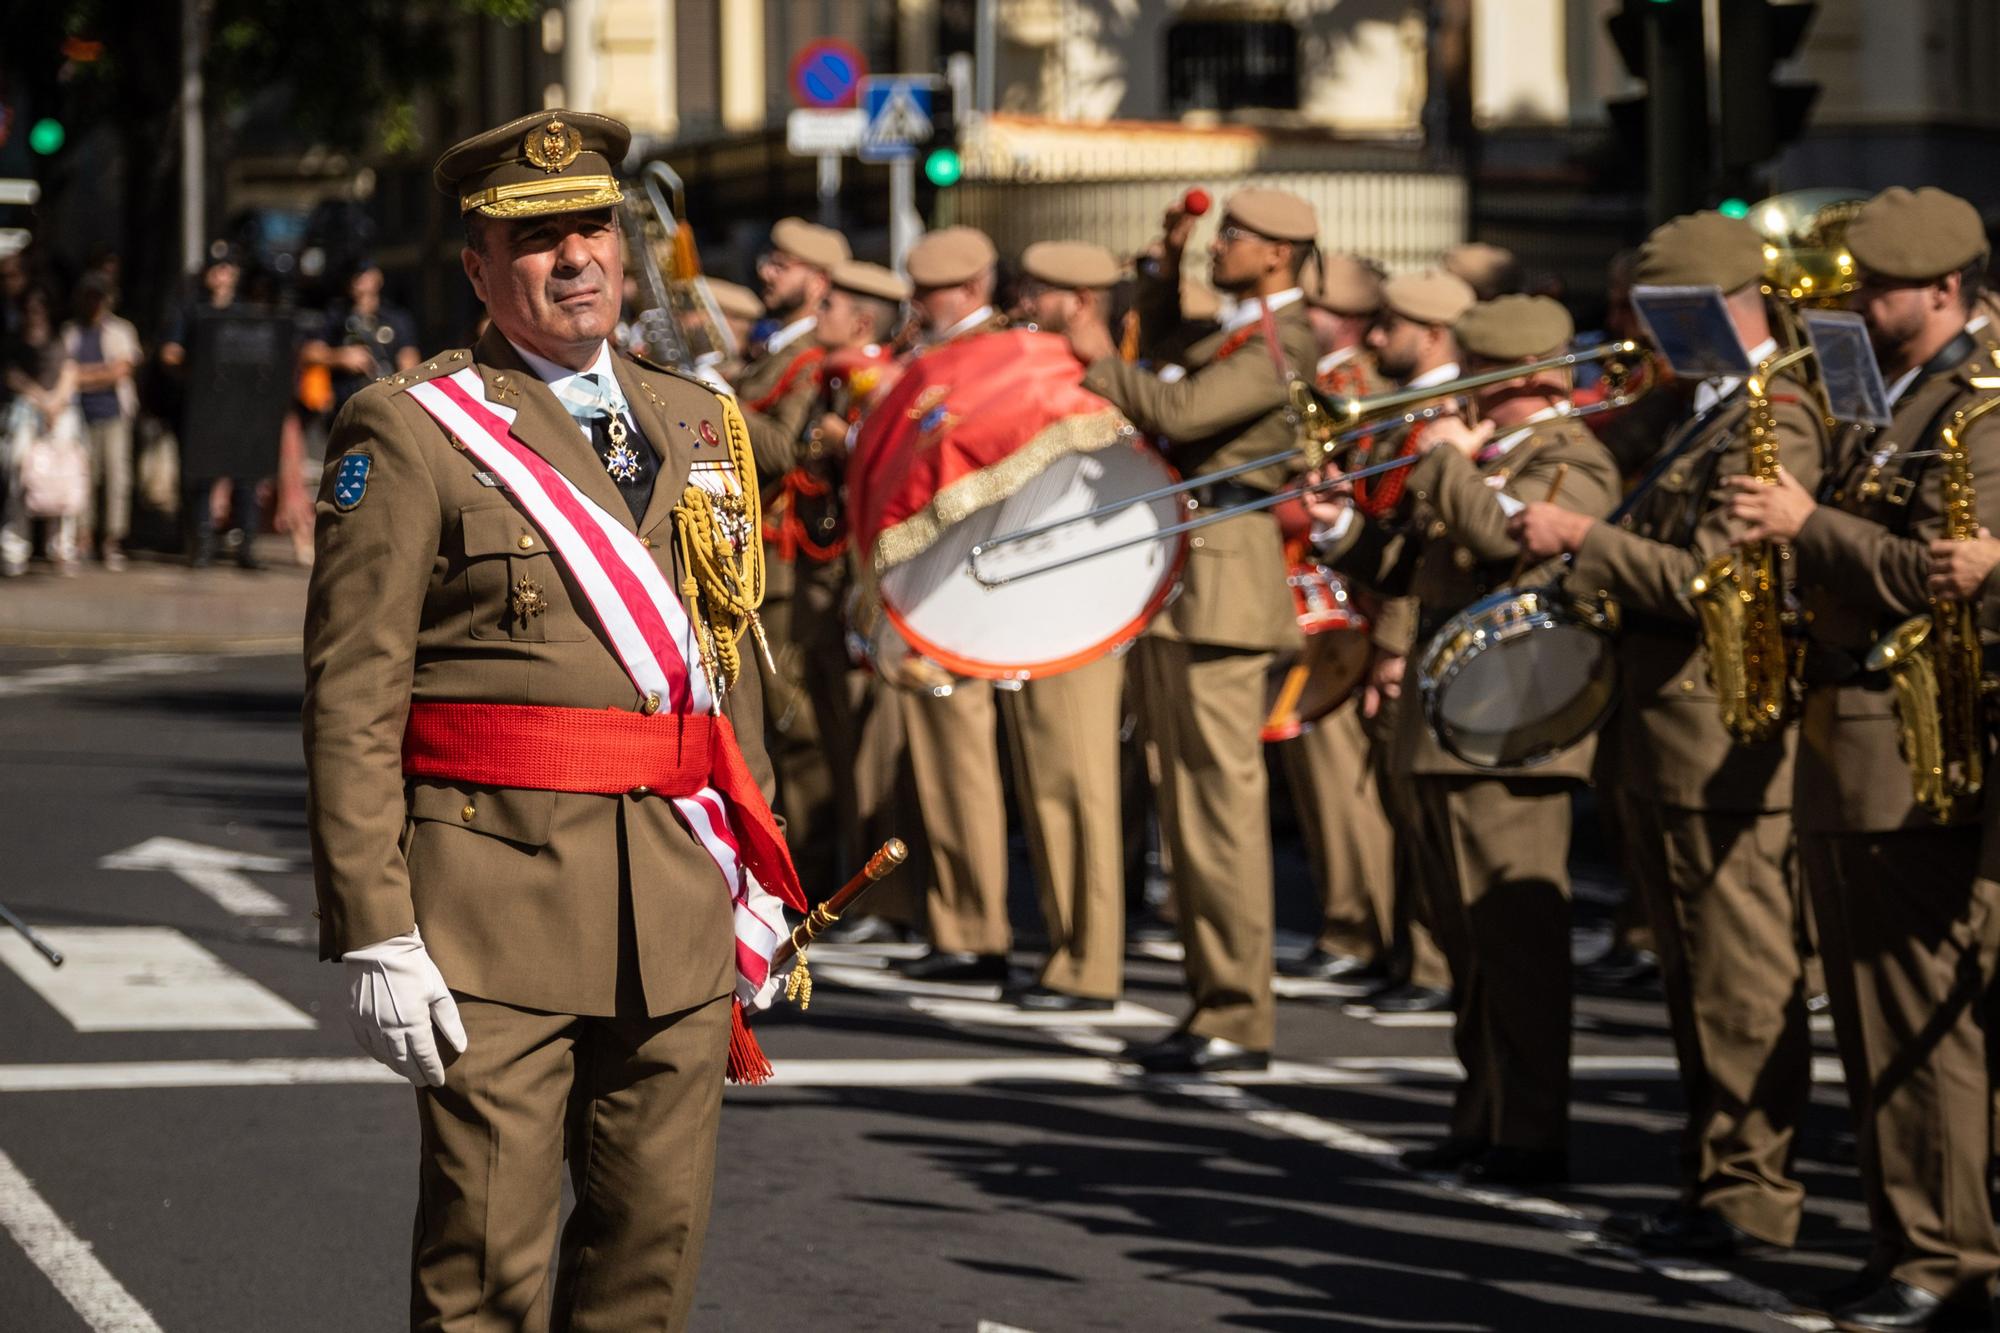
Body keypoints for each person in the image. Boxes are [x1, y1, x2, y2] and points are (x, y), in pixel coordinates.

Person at [303, 109, 802, 1330]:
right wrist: (374, 923)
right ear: (479, 269)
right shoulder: (416, 430)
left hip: (678, 898)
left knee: (648, 1253)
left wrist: (762, 859)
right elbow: (351, 693)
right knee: (487, 1269)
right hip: (493, 905)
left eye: (593, 227)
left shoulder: (699, 422)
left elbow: (726, 659)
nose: (574, 256)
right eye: (534, 239)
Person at [1509, 210, 1824, 1256]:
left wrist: (1582, 541)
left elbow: (1714, 581)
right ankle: (1713, 1178)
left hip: (1717, 728)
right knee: (1692, 974)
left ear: (1725, 311)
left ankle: (1751, 1193)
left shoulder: (1769, 420)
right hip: (1660, 729)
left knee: (1737, 974)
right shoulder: (1700, 409)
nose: (1646, 337)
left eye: (1665, 317)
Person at [1726, 186, 2000, 1332]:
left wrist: (1804, 529)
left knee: (1915, 1008)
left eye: (1879, 287)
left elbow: (1944, 572)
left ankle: (1946, 1258)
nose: (1854, 302)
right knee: (1870, 1013)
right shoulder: (1885, 397)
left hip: (1913, 735)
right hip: (1849, 728)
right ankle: (1903, 1239)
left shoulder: (1976, 410)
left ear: (1942, 289)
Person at [1310, 295, 1620, 1183]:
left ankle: (1530, 1131)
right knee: (1465, 939)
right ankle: (1481, 1114)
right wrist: (1340, 526)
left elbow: (1501, 545)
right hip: (1448, 726)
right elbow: (1419, 566)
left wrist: (1445, 462)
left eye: (1485, 383)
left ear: (1524, 381)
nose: (1468, 403)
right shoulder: (1487, 456)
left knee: (1515, 943)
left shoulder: (1571, 456)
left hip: (1515, 731)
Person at [1062, 189, 1318, 1073]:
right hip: (1189, 583)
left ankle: (1238, 1013)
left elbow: (1178, 411)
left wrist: (1097, 357)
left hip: (1229, 586)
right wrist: (1167, 263)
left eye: (1234, 238)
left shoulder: (1291, 339)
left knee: (1221, 815)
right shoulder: (1241, 329)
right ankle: (1214, 999)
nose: (1222, 248)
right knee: (1192, 813)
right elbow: (1169, 346)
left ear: (1282, 253)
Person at [997, 239, 1135, 1011]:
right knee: (1046, 780)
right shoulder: (1042, 370)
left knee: (1081, 783)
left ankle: (1093, 963)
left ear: (1079, 302)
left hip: (1084, 598)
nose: (1024, 302)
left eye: (1039, 292)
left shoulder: (1100, 381)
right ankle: (1064, 949)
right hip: (1036, 597)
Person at [1340, 268, 1478, 1015]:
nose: (1373, 337)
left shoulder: (1444, 417)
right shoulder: (1405, 412)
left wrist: (1393, 645)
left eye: (1388, 325)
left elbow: (1425, 548)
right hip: (1376, 619)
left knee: (1420, 806)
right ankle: (1406, 951)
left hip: (1407, 628)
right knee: (1396, 800)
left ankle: (1430, 960)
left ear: (1431, 335)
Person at [885, 226, 1017, 984]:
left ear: (969, 291)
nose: (916, 304)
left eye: (929, 293)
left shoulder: (994, 356)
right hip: (925, 574)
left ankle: (979, 926)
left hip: (965, 576)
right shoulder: (933, 356)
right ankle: (954, 917)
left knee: (961, 758)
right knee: (934, 759)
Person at [1279, 252, 1399, 985]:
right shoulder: (1328, 384)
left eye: (1315, 311)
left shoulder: (1353, 389)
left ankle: (1362, 925)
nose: (1303, 322)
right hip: (1309, 590)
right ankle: (1343, 917)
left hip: (1340, 599)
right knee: (1313, 768)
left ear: (1346, 319)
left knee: (1340, 775)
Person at [739, 216, 851, 898]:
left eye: (782, 263)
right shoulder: (777, 349)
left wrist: (712, 396)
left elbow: (783, 450)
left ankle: (807, 875)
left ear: (817, 281)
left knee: (794, 722)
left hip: (783, 562)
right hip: (754, 556)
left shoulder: (810, 359)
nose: (766, 272)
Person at [160, 248, 264, 569]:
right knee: (201, 476)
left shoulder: (245, 312)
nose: (221, 275)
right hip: (201, 405)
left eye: (227, 268)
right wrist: (194, 371)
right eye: (215, 268)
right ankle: (200, 541)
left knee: (245, 474)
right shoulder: (190, 309)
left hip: (238, 406)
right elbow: (170, 353)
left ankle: (245, 542)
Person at [61, 274, 141, 570]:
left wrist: (83, 376)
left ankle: (112, 541)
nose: (93, 302)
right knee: (84, 477)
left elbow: (121, 370)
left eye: (99, 296)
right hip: (79, 414)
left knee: (117, 477)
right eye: (89, 295)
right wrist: (98, 374)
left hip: (114, 413)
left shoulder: (121, 330)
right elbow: (65, 372)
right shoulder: (71, 332)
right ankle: (84, 538)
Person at [2, 288, 83, 575]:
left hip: (61, 416)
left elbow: (71, 371)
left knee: (63, 483)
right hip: (25, 414)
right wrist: (41, 400)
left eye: (40, 308)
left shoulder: (61, 339)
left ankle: (61, 547)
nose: (35, 314)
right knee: (20, 478)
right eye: (31, 309)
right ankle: (14, 548)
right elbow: (12, 376)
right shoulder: (14, 343)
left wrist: (56, 403)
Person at [302, 260, 421, 421]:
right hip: (344, 410)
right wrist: (340, 357)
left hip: (384, 405)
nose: (359, 282)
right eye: (354, 277)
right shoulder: (337, 316)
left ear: (377, 277)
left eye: (363, 276)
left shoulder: (396, 318)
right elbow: (309, 353)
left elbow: (409, 362)